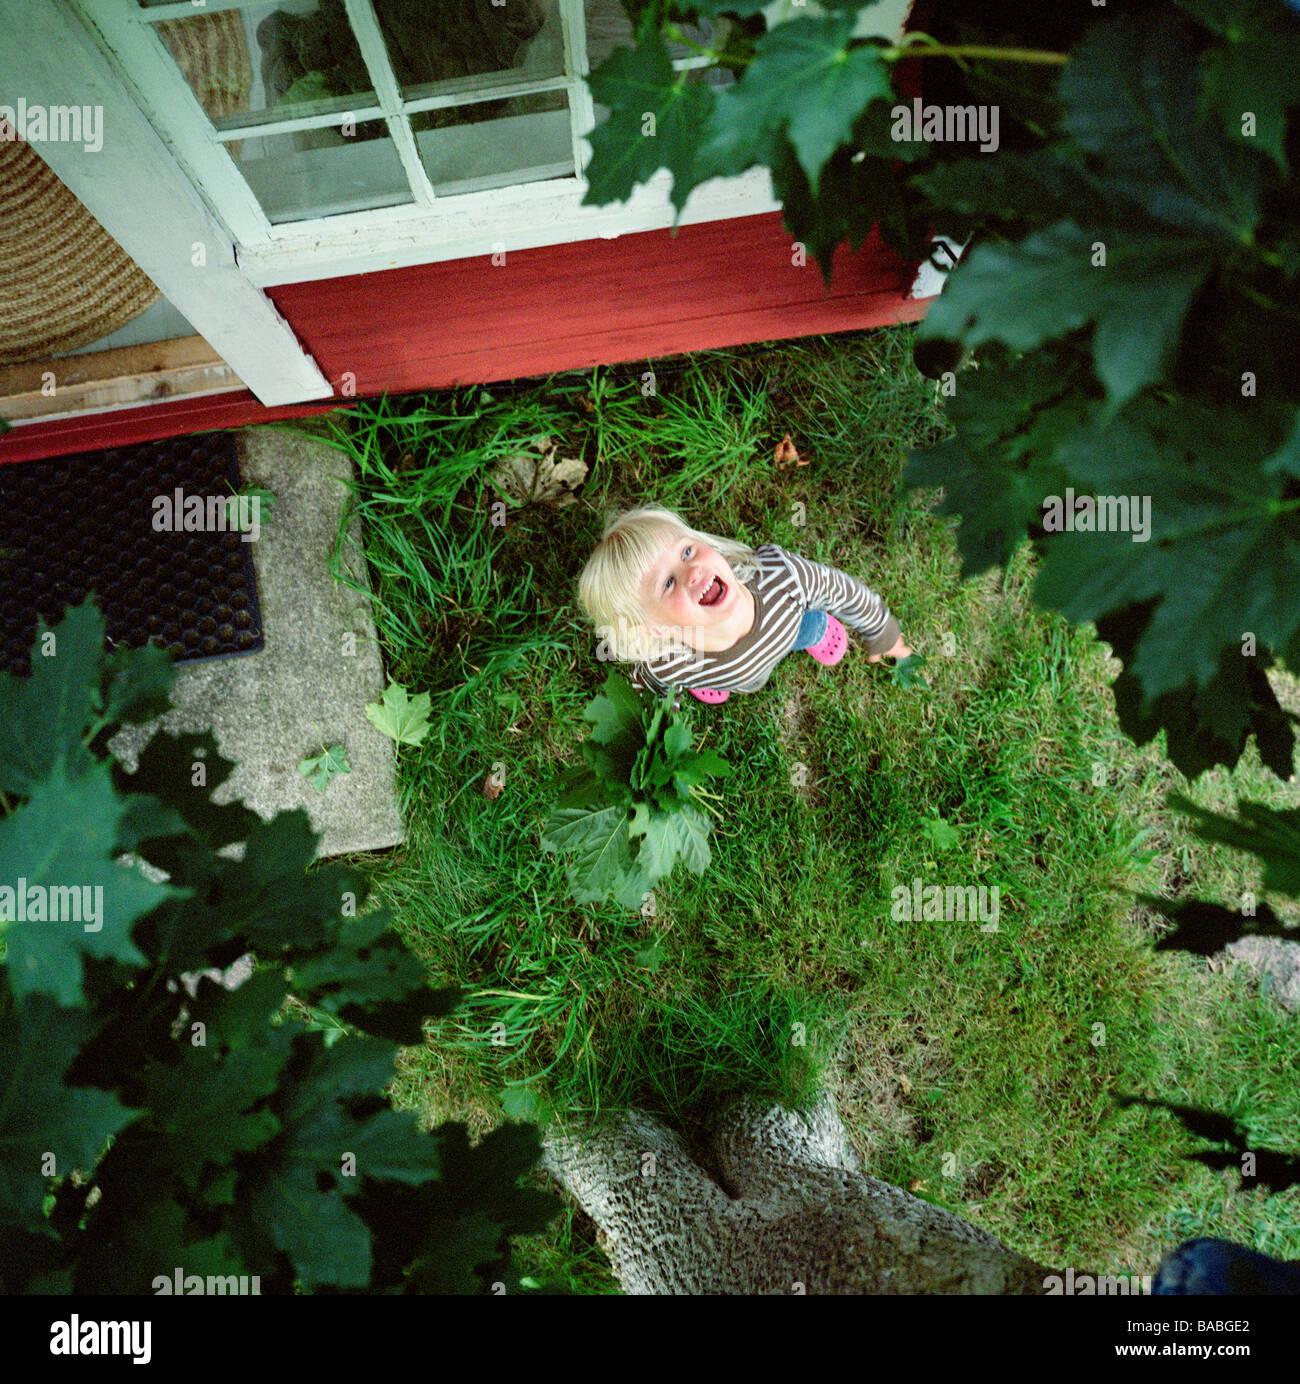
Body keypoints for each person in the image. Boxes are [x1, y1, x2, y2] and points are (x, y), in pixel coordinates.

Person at [577, 506, 911, 704]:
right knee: (728, 677)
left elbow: (842, 590)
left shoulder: (782, 578)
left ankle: (816, 632)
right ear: (655, 628)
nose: (691, 571)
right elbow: (653, 694)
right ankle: (715, 681)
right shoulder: (671, 663)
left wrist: (881, 629)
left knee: (807, 627)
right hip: (720, 672)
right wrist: (662, 741)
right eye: (667, 583)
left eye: (687, 552)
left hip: (789, 626)